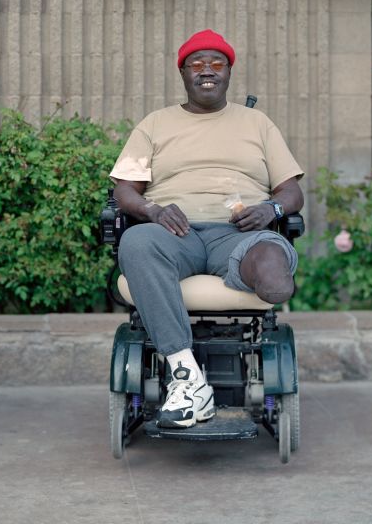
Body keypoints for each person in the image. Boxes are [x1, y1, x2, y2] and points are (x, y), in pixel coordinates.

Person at [109, 30, 304, 429]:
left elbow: (291, 190)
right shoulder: (155, 124)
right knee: (136, 240)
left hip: (238, 236)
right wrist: (152, 210)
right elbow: (124, 189)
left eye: (217, 63)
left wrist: (271, 208)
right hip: (174, 236)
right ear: (183, 73)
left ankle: (271, 269)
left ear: (229, 71)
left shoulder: (257, 123)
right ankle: (187, 379)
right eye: (197, 65)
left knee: (272, 272)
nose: (207, 71)